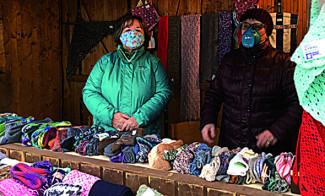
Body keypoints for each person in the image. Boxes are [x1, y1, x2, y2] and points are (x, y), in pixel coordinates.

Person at [200, 8, 302, 155]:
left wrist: (276, 131)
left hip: (268, 152)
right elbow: (214, 94)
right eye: (246, 26)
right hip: (232, 148)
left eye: (257, 27)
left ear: (267, 32)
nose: (250, 31)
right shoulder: (230, 60)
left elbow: (297, 104)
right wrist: (208, 120)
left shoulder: (283, 63)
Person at [82, 15, 172, 135]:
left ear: (144, 35)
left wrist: (138, 118)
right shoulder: (105, 62)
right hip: (107, 132)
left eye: (138, 30)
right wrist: (111, 117)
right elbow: (90, 92)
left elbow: (163, 93)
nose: (133, 33)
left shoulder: (154, 64)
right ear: (120, 35)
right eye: (128, 30)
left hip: (144, 133)